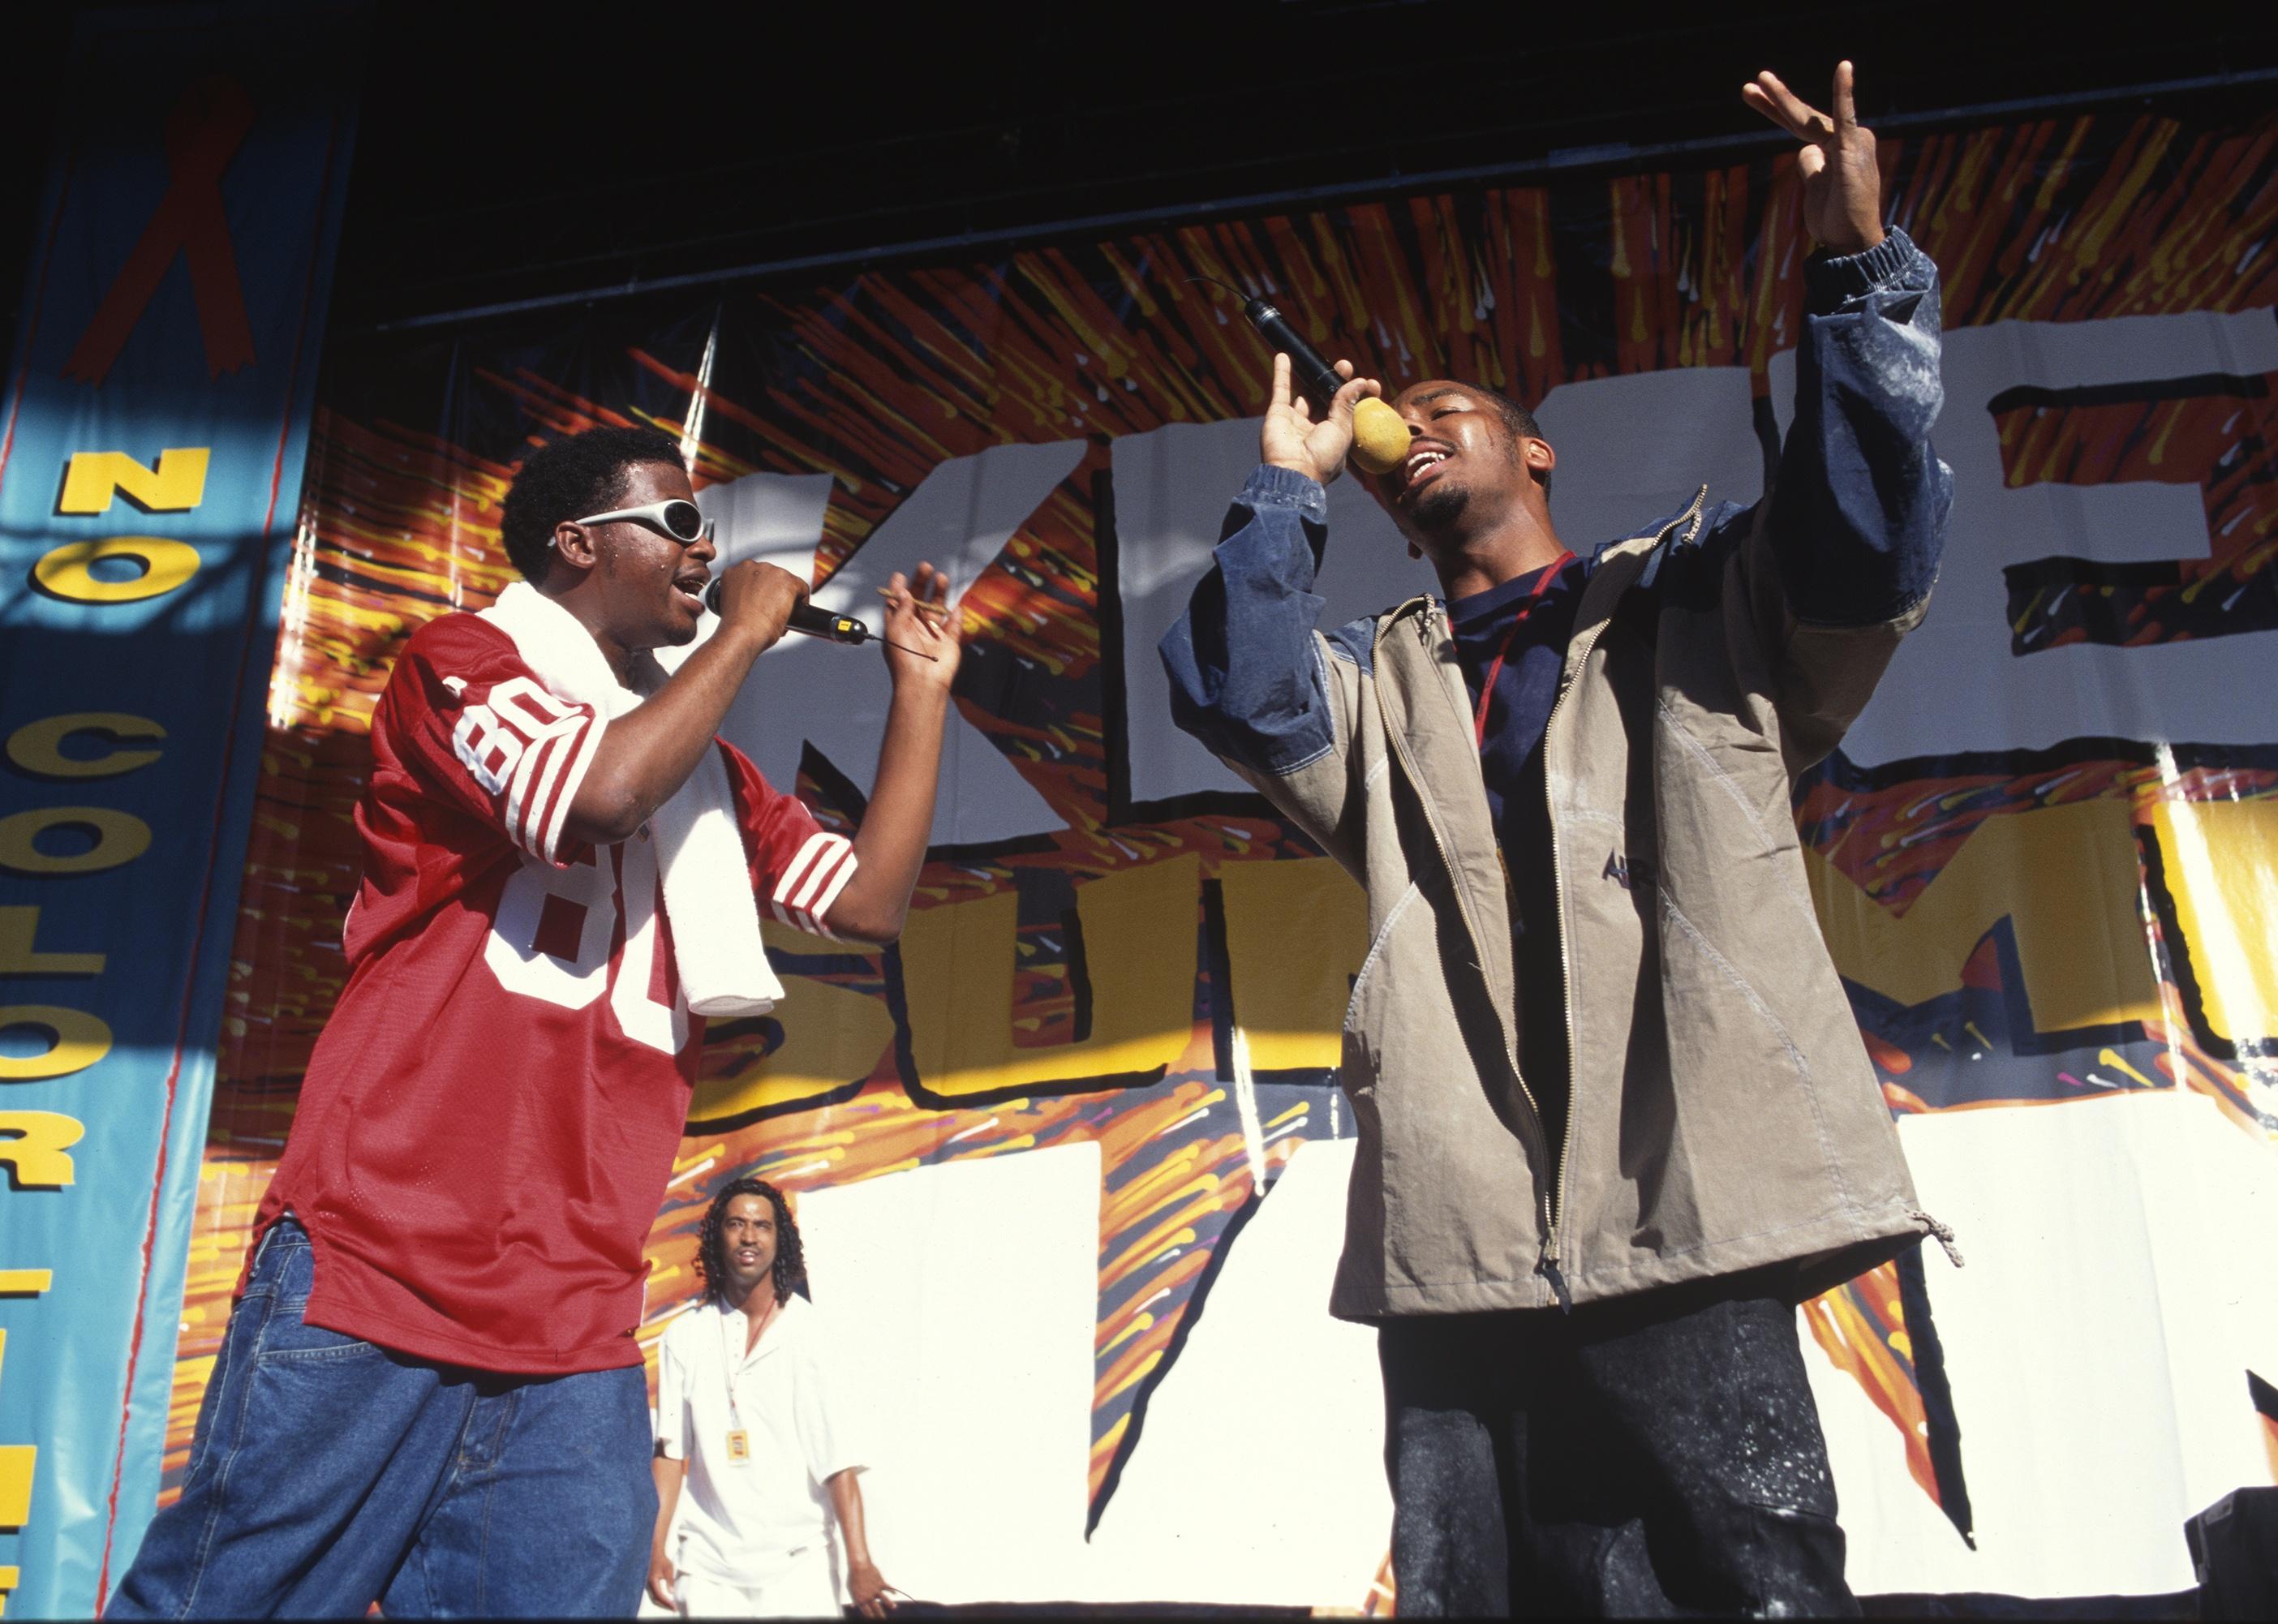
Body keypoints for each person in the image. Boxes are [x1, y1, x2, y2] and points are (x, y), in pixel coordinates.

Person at [1160, 63, 1954, 1618]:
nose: (1422, 423)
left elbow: (1858, 539)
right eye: (1411, 427)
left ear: (1538, 459)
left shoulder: (1682, 608)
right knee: (1484, 1585)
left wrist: (1855, 272)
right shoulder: (1385, 683)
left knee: (1752, 1577)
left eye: (1456, 407)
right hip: (1462, 1226)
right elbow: (1239, 693)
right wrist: (1283, 487)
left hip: (1677, 1196)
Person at [111, 425, 960, 1618]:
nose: (704, 545)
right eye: (674, 523)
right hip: (383, 1260)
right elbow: (594, 793)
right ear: (576, 543)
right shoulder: (463, 661)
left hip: (572, 1306)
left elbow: (867, 900)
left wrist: (919, 692)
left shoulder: (698, 767)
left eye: (703, 528)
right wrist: (744, 628)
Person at [648, 1179, 895, 1618]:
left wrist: (859, 1561)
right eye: (736, 1224)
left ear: (779, 1241)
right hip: (708, 1568)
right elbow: (670, 1453)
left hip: (798, 1565)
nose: (748, 1237)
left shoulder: (809, 1332)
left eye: (762, 1226)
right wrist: (654, 1548)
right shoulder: (684, 1337)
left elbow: (837, 1458)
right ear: (715, 1237)